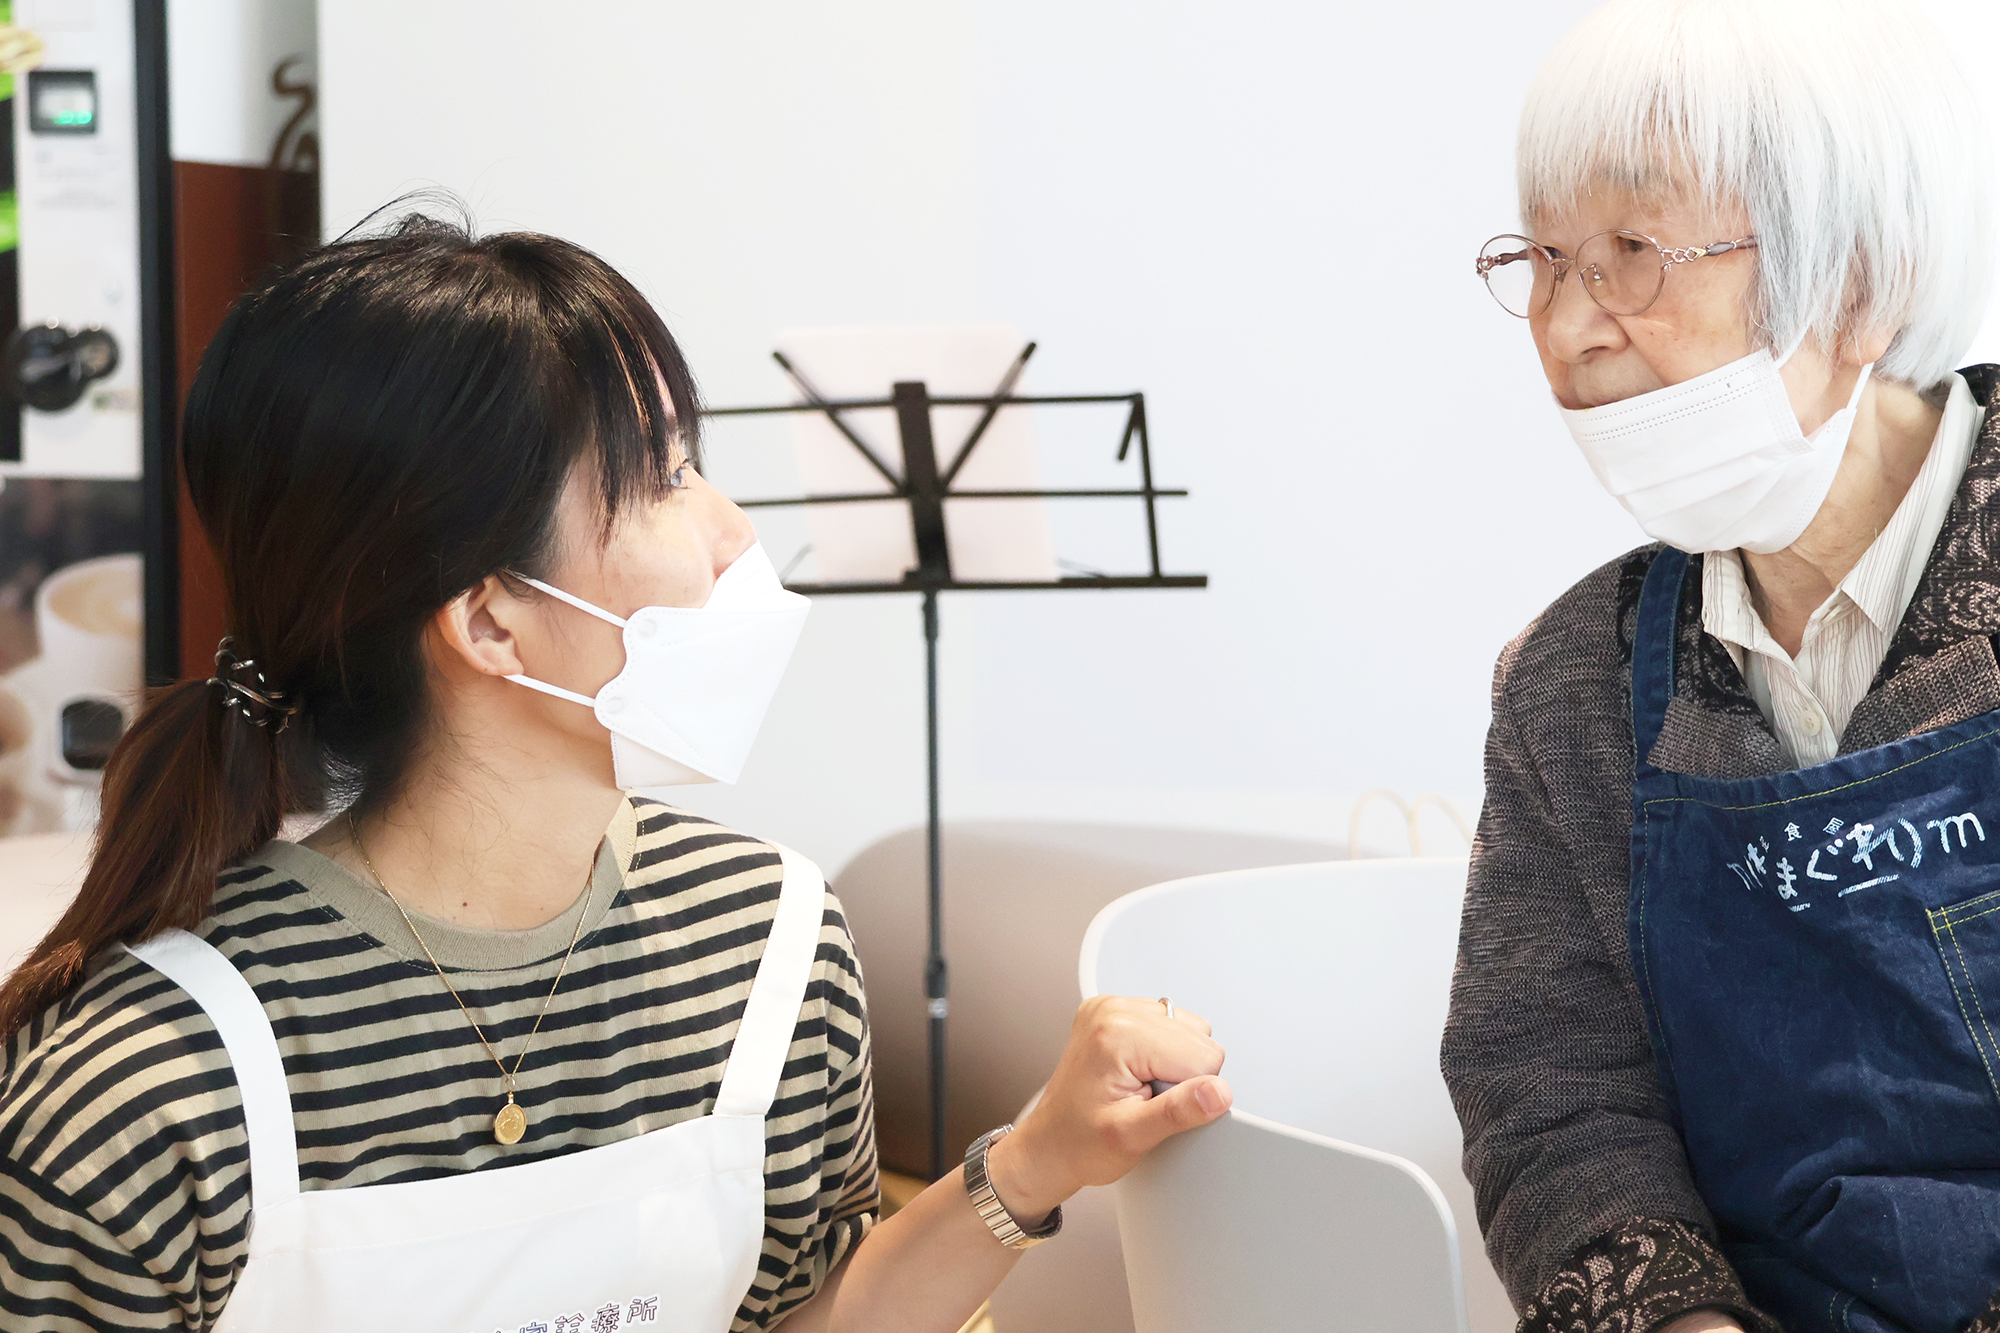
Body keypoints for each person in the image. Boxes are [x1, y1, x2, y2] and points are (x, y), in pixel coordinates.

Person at [0, 214, 1232, 1332]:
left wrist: (1035, 1160)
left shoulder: (770, 939)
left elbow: (802, 1318)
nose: (731, 530)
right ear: (489, 624)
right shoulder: (140, 1083)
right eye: (662, 477)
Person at [1442, 2, 2000, 1331]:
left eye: (1634, 253)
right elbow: (1552, 1096)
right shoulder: (1569, 685)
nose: (1570, 329)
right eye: (1544, 259)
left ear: (1854, 284)